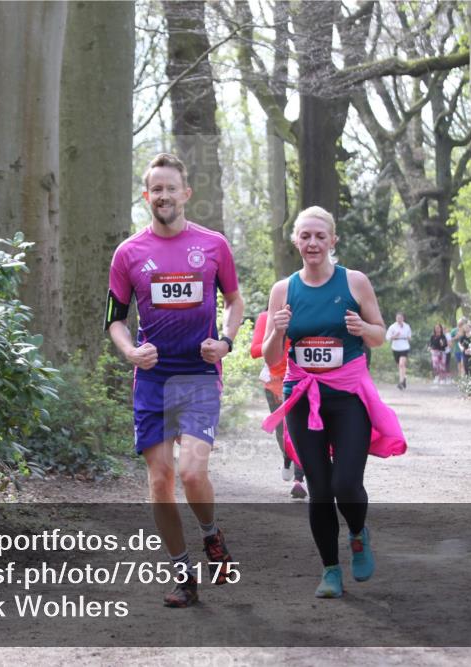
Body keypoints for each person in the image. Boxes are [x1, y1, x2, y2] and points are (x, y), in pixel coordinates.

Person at [105, 153, 244, 608]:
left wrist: (225, 341)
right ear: (146, 196)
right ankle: (183, 573)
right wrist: (130, 351)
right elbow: (115, 320)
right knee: (161, 479)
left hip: (200, 373)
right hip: (153, 379)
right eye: (155, 189)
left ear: (186, 193)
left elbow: (235, 301)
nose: (163, 196)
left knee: (191, 472)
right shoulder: (128, 253)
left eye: (171, 188)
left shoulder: (214, 245)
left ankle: (211, 535)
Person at [260, 206, 407, 599]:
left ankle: (358, 533)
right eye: (305, 236)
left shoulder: (354, 282)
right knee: (320, 489)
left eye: (319, 236)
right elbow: (271, 358)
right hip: (301, 395)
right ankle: (330, 571)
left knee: (346, 483)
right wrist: (278, 331)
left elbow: (379, 336)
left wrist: (363, 327)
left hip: (346, 397)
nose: (312, 243)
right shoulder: (283, 289)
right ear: (296, 241)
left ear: (332, 241)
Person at [250, 310, 306, 499]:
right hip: (275, 383)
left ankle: (299, 479)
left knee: (301, 429)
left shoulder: (306, 313)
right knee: (283, 430)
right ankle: (287, 458)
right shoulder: (266, 318)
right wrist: (278, 334)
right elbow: (255, 350)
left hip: (303, 381)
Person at [385, 312, 412, 389]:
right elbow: (387, 337)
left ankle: (400, 382)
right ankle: (404, 378)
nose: (399, 319)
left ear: (403, 318)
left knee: (401, 364)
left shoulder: (407, 326)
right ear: (396, 318)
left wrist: (408, 338)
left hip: (405, 347)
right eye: (398, 318)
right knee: (399, 365)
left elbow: (410, 336)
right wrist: (394, 336)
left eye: (400, 318)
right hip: (396, 347)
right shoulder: (392, 327)